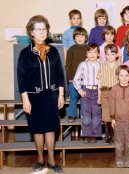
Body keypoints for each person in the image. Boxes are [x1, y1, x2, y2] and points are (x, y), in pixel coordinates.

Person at [17, 15, 64, 173]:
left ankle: (51, 160)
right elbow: (21, 78)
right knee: (37, 128)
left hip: (51, 96)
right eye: (38, 29)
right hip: (33, 97)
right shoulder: (25, 54)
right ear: (31, 32)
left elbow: (59, 74)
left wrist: (61, 94)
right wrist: (25, 100)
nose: (42, 32)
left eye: (44, 29)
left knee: (51, 127)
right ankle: (40, 159)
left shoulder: (54, 51)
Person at [73, 43, 102, 143]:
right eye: (89, 52)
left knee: (97, 115)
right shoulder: (82, 65)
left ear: (98, 54)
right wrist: (80, 90)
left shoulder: (101, 65)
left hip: (98, 91)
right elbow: (76, 79)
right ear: (86, 54)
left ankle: (94, 135)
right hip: (86, 91)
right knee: (86, 116)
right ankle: (86, 134)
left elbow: (104, 80)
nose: (92, 54)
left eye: (94, 52)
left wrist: (101, 94)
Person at [110, 65, 129, 168]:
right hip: (117, 120)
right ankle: (119, 159)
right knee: (118, 142)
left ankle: (128, 159)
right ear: (117, 76)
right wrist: (112, 118)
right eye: (121, 75)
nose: (124, 77)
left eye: (126, 75)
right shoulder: (114, 89)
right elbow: (112, 104)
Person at [97, 44, 120, 144]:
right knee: (106, 114)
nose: (110, 56)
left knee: (116, 113)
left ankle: (116, 135)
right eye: (108, 54)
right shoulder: (102, 66)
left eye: (112, 54)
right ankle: (108, 135)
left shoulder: (120, 66)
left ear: (116, 55)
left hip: (116, 92)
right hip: (105, 92)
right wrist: (99, 97)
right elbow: (99, 82)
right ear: (105, 55)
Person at [65, 27, 88, 123]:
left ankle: (84, 115)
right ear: (74, 38)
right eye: (77, 36)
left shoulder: (88, 48)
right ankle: (72, 114)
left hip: (86, 80)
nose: (80, 38)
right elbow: (68, 64)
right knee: (73, 97)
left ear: (85, 38)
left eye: (82, 36)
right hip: (73, 79)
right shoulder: (71, 49)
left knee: (84, 98)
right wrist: (69, 77)